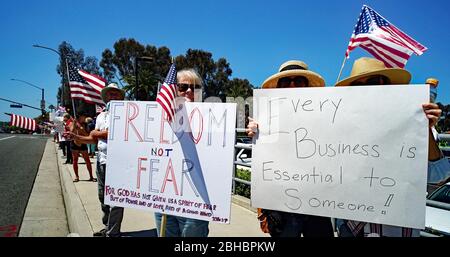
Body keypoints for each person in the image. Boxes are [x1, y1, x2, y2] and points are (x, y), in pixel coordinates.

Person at [334, 57, 444, 237]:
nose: (368, 90)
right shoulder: (340, 129)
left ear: (389, 87)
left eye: (374, 82)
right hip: (350, 226)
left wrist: (425, 128)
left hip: (395, 229)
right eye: (358, 87)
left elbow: (438, 179)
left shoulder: (415, 124)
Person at [246, 60, 335, 237]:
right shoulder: (265, 118)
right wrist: (256, 134)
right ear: (278, 87)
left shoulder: (327, 115)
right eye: (286, 82)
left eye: (299, 81)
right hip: (281, 207)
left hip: (316, 203)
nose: (292, 85)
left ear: (307, 86)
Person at [153, 68, 210, 237]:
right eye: (183, 87)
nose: (190, 91)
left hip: (196, 200)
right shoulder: (155, 119)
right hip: (162, 197)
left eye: (196, 88)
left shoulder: (214, 120)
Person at [71, 83, 125, 237]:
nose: (112, 96)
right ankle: (107, 227)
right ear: (105, 97)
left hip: (117, 161)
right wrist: (78, 137)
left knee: (116, 199)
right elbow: (94, 140)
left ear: (121, 97)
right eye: (110, 94)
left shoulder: (125, 113)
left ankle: (113, 233)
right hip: (101, 160)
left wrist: (96, 133)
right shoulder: (101, 116)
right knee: (103, 196)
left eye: (116, 94)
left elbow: (117, 133)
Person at [69, 111, 96, 183]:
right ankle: (76, 176)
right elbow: (71, 132)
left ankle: (91, 176)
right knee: (75, 160)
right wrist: (74, 126)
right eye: (84, 116)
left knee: (87, 160)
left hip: (83, 142)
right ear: (80, 117)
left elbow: (88, 135)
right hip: (75, 143)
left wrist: (82, 130)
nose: (85, 118)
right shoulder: (73, 123)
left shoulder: (86, 125)